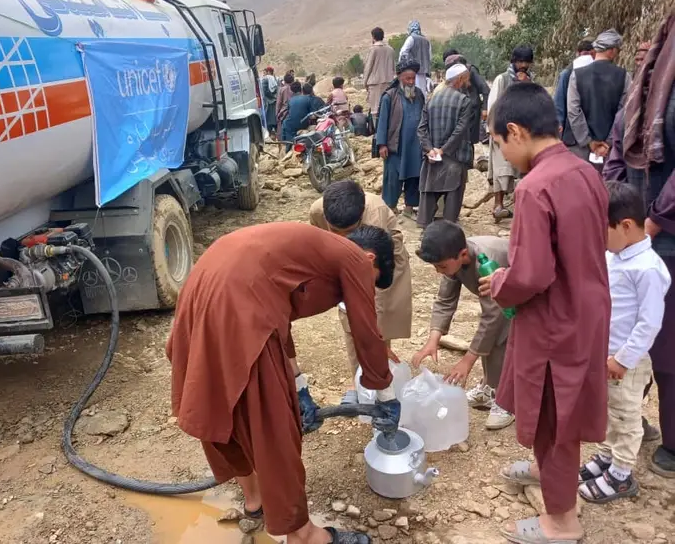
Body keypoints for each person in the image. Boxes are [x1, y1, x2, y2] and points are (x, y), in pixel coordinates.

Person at [167, 222, 401, 544]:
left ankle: (255, 501)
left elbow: (282, 312)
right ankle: (304, 535)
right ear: (371, 258)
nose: (365, 288)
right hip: (237, 300)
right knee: (272, 423)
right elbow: (366, 330)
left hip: (204, 286)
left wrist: (299, 384)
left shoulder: (309, 250)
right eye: (372, 283)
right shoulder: (356, 258)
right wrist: (385, 392)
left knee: (223, 402)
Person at [481, 82, 610, 543]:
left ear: (514, 131)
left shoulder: (534, 187)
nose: (502, 151)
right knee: (563, 411)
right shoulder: (585, 172)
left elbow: (531, 274)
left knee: (554, 416)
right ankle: (545, 474)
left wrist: (499, 281)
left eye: (498, 142)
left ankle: (560, 523)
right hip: (586, 311)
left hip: (555, 321)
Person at [604, 11, 675, 477]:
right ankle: (636, 424)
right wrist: (610, 197)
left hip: (661, 232)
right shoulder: (640, 92)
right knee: (627, 319)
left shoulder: (647, 265)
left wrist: (655, 220)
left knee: (666, 345)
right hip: (630, 220)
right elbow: (616, 146)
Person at [577, 181, 670, 504]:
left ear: (626, 226)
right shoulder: (616, 255)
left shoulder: (647, 269)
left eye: (602, 231)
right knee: (609, 411)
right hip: (606, 355)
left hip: (626, 363)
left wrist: (623, 359)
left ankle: (621, 475)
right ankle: (606, 456)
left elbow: (649, 322)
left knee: (627, 417)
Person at [308, 181, 412, 404]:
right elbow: (319, 245)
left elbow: (373, 291)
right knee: (350, 322)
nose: (343, 238)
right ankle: (360, 383)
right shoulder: (318, 211)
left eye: (349, 233)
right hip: (344, 263)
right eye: (336, 232)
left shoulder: (375, 216)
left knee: (378, 322)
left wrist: (377, 340)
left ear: (360, 218)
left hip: (382, 261)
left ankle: (381, 380)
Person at [412, 220, 514, 430]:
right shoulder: (452, 261)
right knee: (490, 340)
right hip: (501, 302)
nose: (438, 271)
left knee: (503, 339)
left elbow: (493, 315)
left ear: (462, 254)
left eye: (441, 266)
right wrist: (433, 340)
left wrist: (467, 360)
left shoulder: (487, 262)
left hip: (522, 298)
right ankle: (490, 388)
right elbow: (445, 300)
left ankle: (507, 401)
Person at [416, 63, 473, 229]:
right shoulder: (464, 101)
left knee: (429, 198)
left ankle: (425, 233)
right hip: (455, 158)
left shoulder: (431, 99)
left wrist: (430, 149)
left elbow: (421, 129)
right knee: (452, 201)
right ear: (460, 79)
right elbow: (460, 131)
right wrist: (444, 150)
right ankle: (448, 234)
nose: (468, 84)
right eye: (467, 80)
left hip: (432, 158)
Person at [567, 29, 632, 163]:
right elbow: (624, 111)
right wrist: (609, 141)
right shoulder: (624, 76)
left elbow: (573, 111)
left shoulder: (577, 75)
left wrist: (588, 141)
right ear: (612, 50)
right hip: (613, 149)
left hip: (582, 149)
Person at [487, 45, 535, 222]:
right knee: (501, 169)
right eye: (520, 61)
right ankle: (498, 205)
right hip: (502, 129)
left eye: (526, 62)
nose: (523, 65)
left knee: (520, 170)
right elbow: (492, 105)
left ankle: (519, 207)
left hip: (523, 132)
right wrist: (492, 130)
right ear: (513, 61)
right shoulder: (502, 79)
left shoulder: (531, 81)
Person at [376, 60, 426, 217]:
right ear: (399, 78)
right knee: (392, 178)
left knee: (414, 176)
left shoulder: (419, 95)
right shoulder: (389, 97)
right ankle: (390, 208)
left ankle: (409, 208)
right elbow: (382, 122)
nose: (411, 82)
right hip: (395, 145)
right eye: (407, 79)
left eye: (413, 78)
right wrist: (382, 144)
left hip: (415, 145)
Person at [555, 39, 594, 140]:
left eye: (591, 55)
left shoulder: (598, 74)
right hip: (571, 135)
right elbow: (559, 106)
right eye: (585, 54)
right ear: (578, 54)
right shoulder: (567, 74)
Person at [363, 27, 396, 125]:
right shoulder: (390, 50)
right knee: (388, 109)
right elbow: (393, 68)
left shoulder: (373, 49)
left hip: (375, 83)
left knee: (375, 111)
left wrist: (365, 82)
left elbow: (368, 67)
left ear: (373, 37)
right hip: (389, 83)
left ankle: (378, 134)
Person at [281, 83, 324, 152]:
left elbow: (290, 112)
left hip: (292, 124)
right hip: (304, 123)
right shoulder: (308, 99)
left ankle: (287, 147)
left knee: (285, 124)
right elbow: (312, 114)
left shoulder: (291, 100)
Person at [398, 20, 432, 94]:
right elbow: (430, 57)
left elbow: (403, 52)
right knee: (422, 92)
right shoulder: (426, 40)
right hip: (423, 71)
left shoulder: (411, 38)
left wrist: (403, 66)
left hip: (412, 71)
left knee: (412, 92)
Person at [276, 72, 297, 141]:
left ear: (284, 81)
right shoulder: (294, 89)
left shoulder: (281, 89)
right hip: (292, 112)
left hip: (283, 113)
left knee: (281, 130)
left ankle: (282, 143)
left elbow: (278, 103)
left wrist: (277, 114)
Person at [260, 66, 279, 134]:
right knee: (273, 117)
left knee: (269, 118)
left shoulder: (265, 79)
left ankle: (269, 132)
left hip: (268, 101)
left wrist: (272, 97)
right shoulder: (274, 79)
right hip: (273, 100)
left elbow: (265, 91)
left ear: (268, 72)